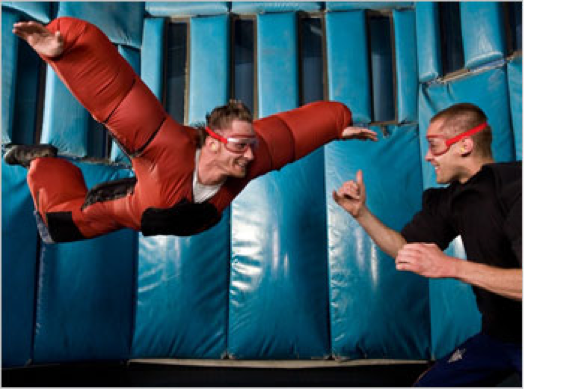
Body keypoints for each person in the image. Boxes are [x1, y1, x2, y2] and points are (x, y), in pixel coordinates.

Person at [5, 18, 377, 243]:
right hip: (128, 207)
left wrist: (335, 125)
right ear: (212, 143)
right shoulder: (165, 146)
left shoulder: (246, 163)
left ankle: (46, 166)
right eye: (240, 145)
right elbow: (117, 97)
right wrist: (67, 51)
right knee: (58, 226)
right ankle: (40, 161)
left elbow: (289, 135)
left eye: (250, 145)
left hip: (156, 211)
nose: (251, 154)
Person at [333, 103, 522, 387]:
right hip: (499, 338)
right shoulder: (451, 200)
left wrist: (451, 267)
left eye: (434, 146)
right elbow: (404, 250)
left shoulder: (516, 187)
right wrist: (361, 214)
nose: (427, 156)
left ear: (465, 145)